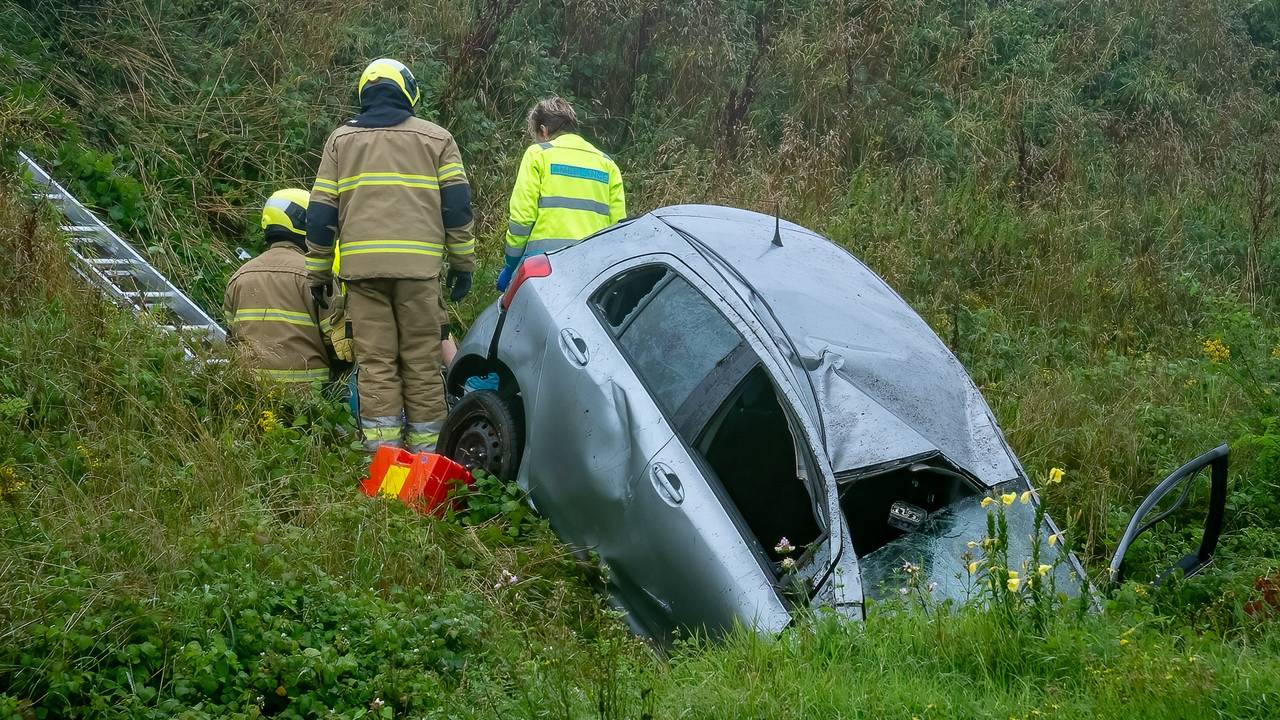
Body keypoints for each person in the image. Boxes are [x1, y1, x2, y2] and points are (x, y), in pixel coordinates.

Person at [305, 58, 475, 452]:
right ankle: (428, 460)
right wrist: (462, 264)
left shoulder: (340, 141)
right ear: (409, 90)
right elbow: (457, 209)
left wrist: (317, 274)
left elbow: (320, 215)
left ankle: (382, 461)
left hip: (363, 275)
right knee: (422, 362)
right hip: (419, 274)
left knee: (376, 366)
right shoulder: (438, 139)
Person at [498, 97, 626, 291]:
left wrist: (511, 264)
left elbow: (522, 220)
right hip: (591, 272)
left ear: (544, 130)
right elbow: (617, 229)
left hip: (542, 270)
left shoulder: (538, 155)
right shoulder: (607, 164)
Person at [224, 188, 337, 384]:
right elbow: (337, 343)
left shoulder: (239, 277)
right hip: (312, 399)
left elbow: (232, 339)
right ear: (305, 222)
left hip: (251, 396)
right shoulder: (316, 275)